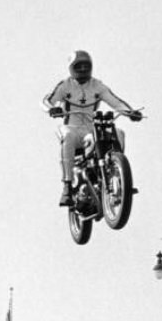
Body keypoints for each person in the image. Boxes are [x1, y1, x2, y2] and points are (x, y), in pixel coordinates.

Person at [42, 50, 142, 207]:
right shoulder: (65, 85)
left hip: (91, 129)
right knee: (67, 136)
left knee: (118, 132)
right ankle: (67, 186)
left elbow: (115, 102)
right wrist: (51, 109)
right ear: (71, 68)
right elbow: (46, 101)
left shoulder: (97, 86)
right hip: (71, 127)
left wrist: (130, 113)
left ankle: (117, 174)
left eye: (86, 65)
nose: (82, 69)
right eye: (78, 66)